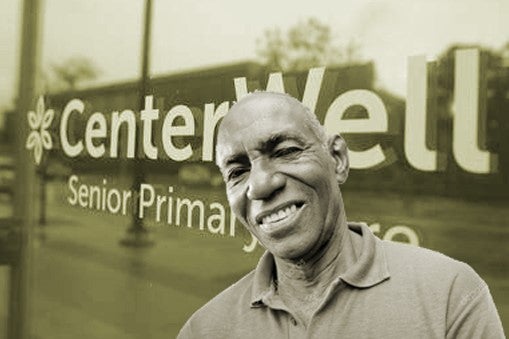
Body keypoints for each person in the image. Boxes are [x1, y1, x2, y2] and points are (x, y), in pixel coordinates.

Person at [177, 91, 505, 338]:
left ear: (338, 159)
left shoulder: (449, 296)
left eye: (286, 151)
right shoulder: (203, 330)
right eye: (237, 172)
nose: (261, 185)